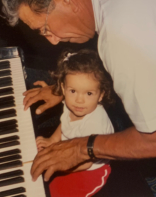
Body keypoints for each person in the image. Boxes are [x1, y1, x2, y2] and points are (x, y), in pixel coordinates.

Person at [1, 0, 156, 196]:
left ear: (64, 0)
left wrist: (79, 148)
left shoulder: (122, 34)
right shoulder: (104, 0)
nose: (52, 40)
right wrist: (64, 89)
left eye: (45, 28)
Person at [35, 49, 115, 197]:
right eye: (73, 91)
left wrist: (59, 165)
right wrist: (52, 139)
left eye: (89, 93)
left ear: (101, 95)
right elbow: (65, 122)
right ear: (64, 88)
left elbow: (85, 163)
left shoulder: (95, 125)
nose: (79, 100)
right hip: (72, 154)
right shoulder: (71, 104)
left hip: (89, 171)